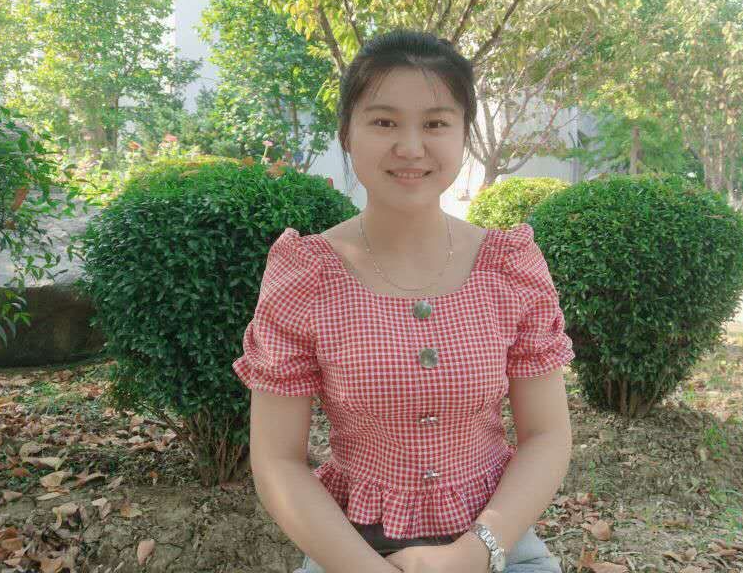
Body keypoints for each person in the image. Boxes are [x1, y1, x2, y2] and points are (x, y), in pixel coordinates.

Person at [234, 29, 575, 573]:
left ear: (464, 135)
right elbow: (277, 460)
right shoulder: (307, 274)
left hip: (494, 544)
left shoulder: (509, 267)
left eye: (436, 123)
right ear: (347, 133)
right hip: (349, 550)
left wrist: (473, 554)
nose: (411, 147)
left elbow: (547, 435)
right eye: (384, 122)